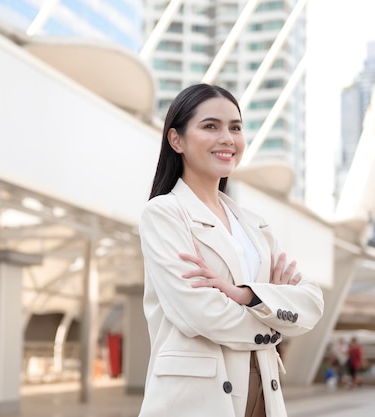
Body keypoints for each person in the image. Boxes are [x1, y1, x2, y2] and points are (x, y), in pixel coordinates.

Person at [137, 84, 325, 417]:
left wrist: (248, 296)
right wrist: (275, 314)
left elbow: (312, 303)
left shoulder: (254, 226)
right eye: (211, 126)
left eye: (235, 127)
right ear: (176, 140)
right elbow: (202, 314)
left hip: (264, 397)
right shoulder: (164, 214)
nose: (228, 138)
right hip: (197, 401)